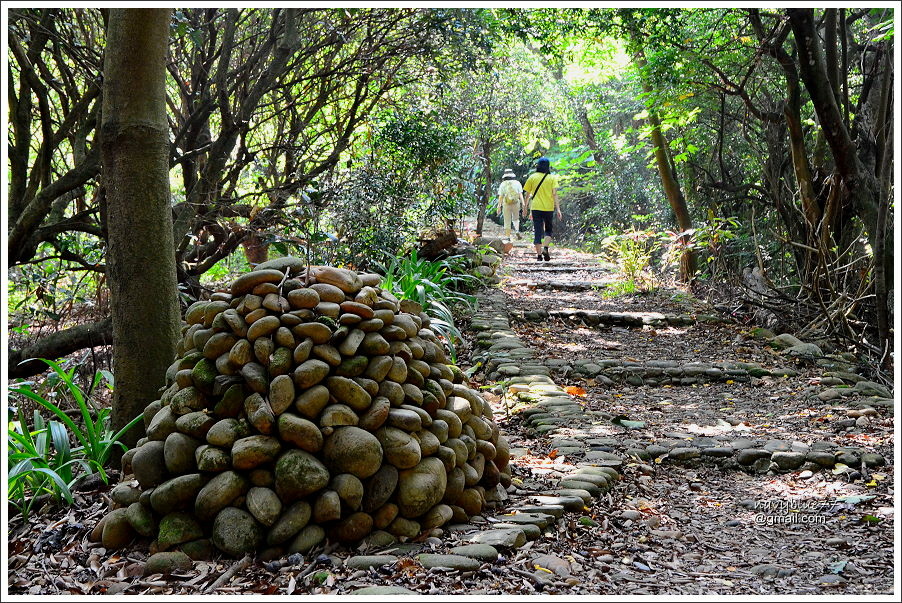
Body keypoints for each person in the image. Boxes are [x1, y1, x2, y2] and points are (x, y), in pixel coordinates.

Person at [522, 157, 562, 261]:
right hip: (548, 208)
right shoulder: (552, 178)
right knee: (548, 230)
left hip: (536, 208)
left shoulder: (532, 177)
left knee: (538, 230)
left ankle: (539, 256)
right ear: (548, 166)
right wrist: (558, 209)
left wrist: (525, 207)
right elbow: (554, 194)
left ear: (538, 166)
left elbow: (527, 195)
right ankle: (545, 248)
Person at [496, 168, 524, 240]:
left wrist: (499, 206)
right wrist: (523, 203)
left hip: (506, 204)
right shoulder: (517, 183)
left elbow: (501, 196)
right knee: (515, 218)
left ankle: (508, 236)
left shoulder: (503, 184)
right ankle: (517, 230)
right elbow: (520, 194)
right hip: (516, 203)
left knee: (507, 219)